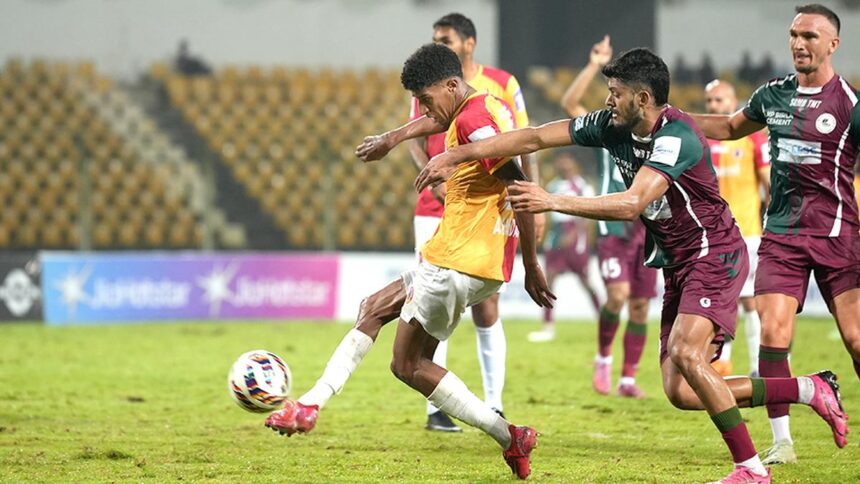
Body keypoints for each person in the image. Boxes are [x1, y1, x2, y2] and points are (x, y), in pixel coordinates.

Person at [415, 46, 848, 484]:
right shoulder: (612, 124)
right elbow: (535, 137)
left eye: (615, 92)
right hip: (677, 263)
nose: (608, 100)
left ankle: (751, 469)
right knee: (682, 391)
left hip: (713, 254)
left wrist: (552, 200)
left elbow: (631, 204)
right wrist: (458, 155)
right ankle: (807, 388)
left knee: (686, 352)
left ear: (642, 99)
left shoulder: (676, 136)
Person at [265, 43, 555, 480]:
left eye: (425, 98)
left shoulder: (473, 122)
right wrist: (393, 138)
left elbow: (519, 187)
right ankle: (509, 437)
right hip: (480, 265)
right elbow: (445, 124)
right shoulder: (484, 105)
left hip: (455, 260)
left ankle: (309, 406)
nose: (422, 108)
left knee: (403, 359)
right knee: (383, 321)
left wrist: (533, 264)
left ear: (451, 85)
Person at [690, 4, 860, 466]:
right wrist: (674, 117)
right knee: (773, 332)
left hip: (838, 235)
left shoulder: (850, 103)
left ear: (833, 44)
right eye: (793, 34)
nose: (798, 44)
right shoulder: (772, 95)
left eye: (809, 36)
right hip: (782, 236)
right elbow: (729, 127)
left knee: (856, 338)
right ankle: (783, 442)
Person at [355, 13, 542, 431]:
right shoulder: (428, 83)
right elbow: (423, 131)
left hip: (485, 200)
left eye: (446, 38)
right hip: (436, 199)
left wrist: (536, 199)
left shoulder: (499, 85)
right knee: (429, 304)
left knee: (479, 307)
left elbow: (524, 140)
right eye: (435, 38)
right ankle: (437, 408)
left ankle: (493, 405)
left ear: (468, 43)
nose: (439, 44)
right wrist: (398, 143)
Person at [554, 35, 657, 398]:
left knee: (640, 306)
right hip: (613, 225)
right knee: (618, 296)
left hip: (648, 228)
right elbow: (569, 103)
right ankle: (603, 358)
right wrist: (595, 65)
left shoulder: (657, 134)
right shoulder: (607, 132)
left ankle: (628, 379)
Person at [703, 79, 770, 379]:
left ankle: (756, 364)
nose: (713, 106)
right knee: (718, 299)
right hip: (710, 235)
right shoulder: (700, 140)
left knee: (748, 300)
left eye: (719, 100)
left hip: (747, 232)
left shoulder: (752, 138)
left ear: (733, 102)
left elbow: (769, 183)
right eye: (709, 101)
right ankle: (722, 363)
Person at [527, 152, 601, 343]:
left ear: (573, 163)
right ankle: (547, 327)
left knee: (586, 282)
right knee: (548, 282)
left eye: (566, 160)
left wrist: (574, 235)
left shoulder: (582, 186)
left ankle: (603, 319)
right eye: (560, 160)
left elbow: (588, 215)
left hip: (576, 241)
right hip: (556, 238)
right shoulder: (553, 186)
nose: (563, 163)